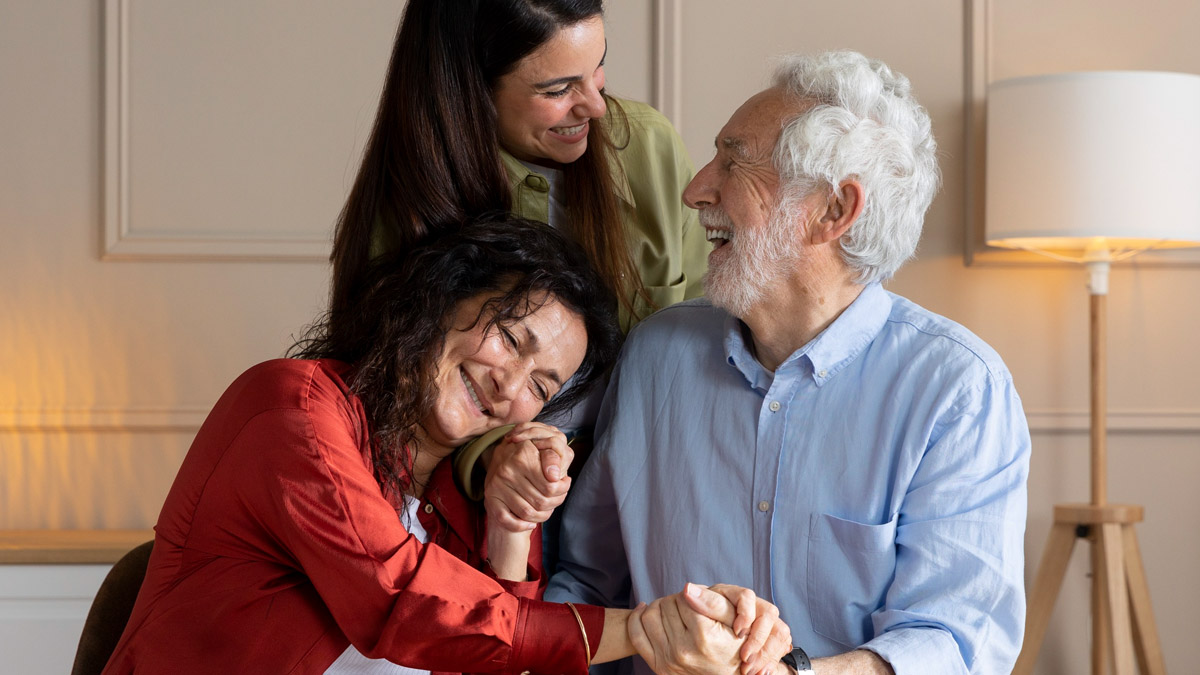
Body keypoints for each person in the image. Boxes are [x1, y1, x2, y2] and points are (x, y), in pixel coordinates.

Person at [101, 216, 786, 675]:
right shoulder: (295, 411)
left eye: (543, 384)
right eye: (511, 339)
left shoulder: (445, 503)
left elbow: (496, 659)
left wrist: (514, 526)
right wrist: (641, 630)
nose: (511, 383)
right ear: (442, 298)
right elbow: (400, 597)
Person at [545, 51, 1032, 675]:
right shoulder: (655, 357)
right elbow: (586, 584)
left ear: (834, 210)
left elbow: (952, 642)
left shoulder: (957, 391)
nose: (696, 190)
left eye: (735, 160)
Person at [329, 0, 708, 336]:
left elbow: (701, 334)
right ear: (470, 91)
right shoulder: (402, 207)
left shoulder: (651, 145)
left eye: (598, 66)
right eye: (558, 90)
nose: (597, 107)